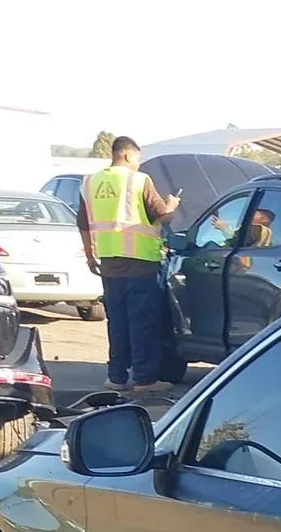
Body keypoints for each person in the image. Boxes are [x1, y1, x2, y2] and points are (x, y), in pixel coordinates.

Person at [77, 136, 180, 393]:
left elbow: (83, 224)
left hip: (109, 265)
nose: (138, 163)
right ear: (127, 155)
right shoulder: (139, 180)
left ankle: (116, 377)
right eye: (137, 158)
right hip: (140, 264)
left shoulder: (90, 182)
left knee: (117, 323)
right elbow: (163, 215)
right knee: (142, 322)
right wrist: (173, 205)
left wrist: (90, 255)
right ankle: (145, 379)